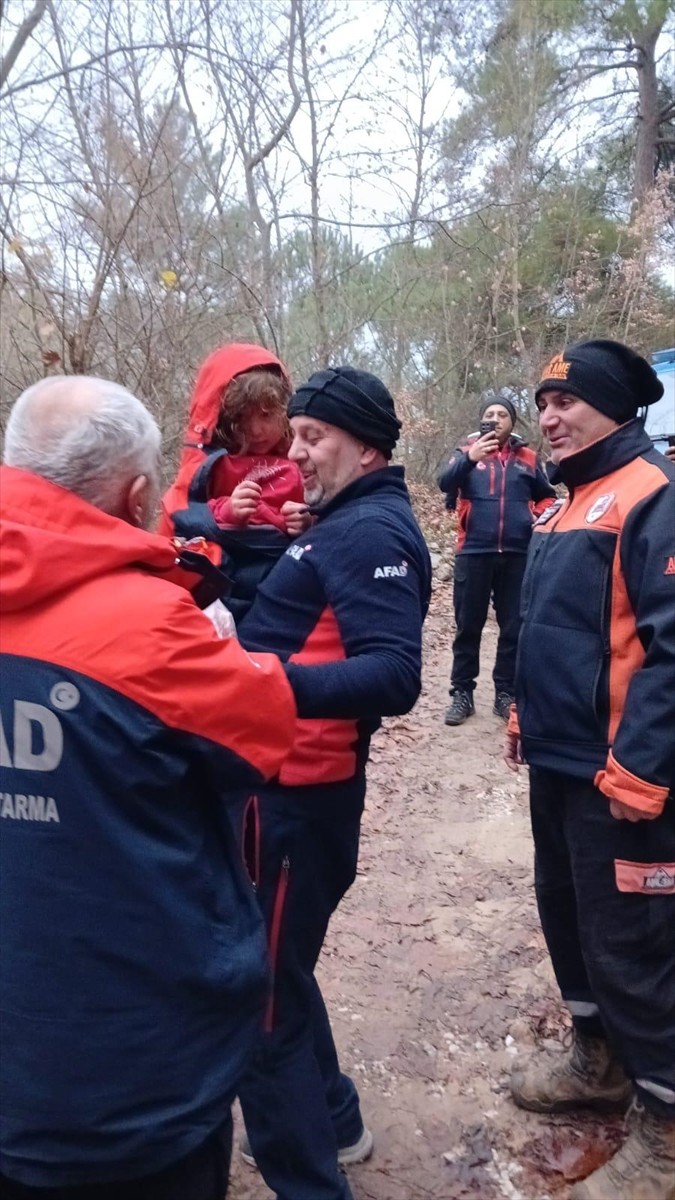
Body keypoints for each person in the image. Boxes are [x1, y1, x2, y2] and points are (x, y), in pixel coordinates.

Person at [0, 376, 297, 1199]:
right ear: (135, 498)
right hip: (131, 1068)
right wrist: (227, 653)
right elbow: (265, 738)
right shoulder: (153, 629)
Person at [232, 366, 432, 1200]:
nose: (297, 450)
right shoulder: (343, 522)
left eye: (315, 437)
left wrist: (251, 681)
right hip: (283, 792)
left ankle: (313, 1182)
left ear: (367, 445)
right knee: (282, 973)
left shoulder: (368, 532)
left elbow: (392, 675)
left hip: (297, 798)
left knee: (260, 1007)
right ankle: (338, 1119)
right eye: (297, 433)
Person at [504, 339, 675, 1200]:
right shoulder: (562, 503)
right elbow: (554, 627)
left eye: (566, 403)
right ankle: (598, 1061)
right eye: (541, 403)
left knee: (636, 946)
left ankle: (669, 1127)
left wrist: (642, 768)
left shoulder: (655, 496)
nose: (548, 417)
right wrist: (521, 711)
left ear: (617, 409)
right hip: (560, 762)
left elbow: (672, 651)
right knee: (568, 921)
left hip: (623, 778)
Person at [159, 344, 310, 620]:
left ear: (285, 411)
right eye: (242, 418)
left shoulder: (300, 460)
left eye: (266, 415)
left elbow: (324, 519)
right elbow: (186, 515)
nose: (255, 430)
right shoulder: (214, 465)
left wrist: (305, 523)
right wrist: (228, 511)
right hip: (222, 584)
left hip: (281, 581)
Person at [437, 393, 556, 725]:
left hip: (517, 552)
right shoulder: (465, 452)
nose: (495, 418)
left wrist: (537, 515)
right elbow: (444, 482)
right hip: (474, 550)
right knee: (468, 626)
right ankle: (462, 693)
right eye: (489, 413)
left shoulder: (528, 457)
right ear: (481, 419)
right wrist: (471, 458)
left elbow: (547, 495)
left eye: (502, 414)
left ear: (512, 422)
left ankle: (505, 692)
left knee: (513, 627)